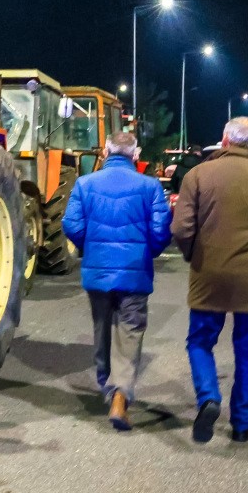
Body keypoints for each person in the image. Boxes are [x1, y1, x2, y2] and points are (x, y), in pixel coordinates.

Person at [172, 117, 248, 444]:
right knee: (247, 349)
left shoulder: (197, 175)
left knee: (200, 341)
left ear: (224, 140)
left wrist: (193, 255)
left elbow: (180, 229)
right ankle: (242, 423)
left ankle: (208, 397)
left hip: (210, 273)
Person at [62, 131, 172, 430]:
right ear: (135, 155)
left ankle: (106, 384)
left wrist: (92, 247)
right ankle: (121, 393)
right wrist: (149, 251)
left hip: (98, 270)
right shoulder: (150, 186)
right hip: (134, 271)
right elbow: (162, 229)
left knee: (102, 329)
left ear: (106, 152)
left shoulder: (85, 184)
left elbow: (71, 224)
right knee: (130, 331)